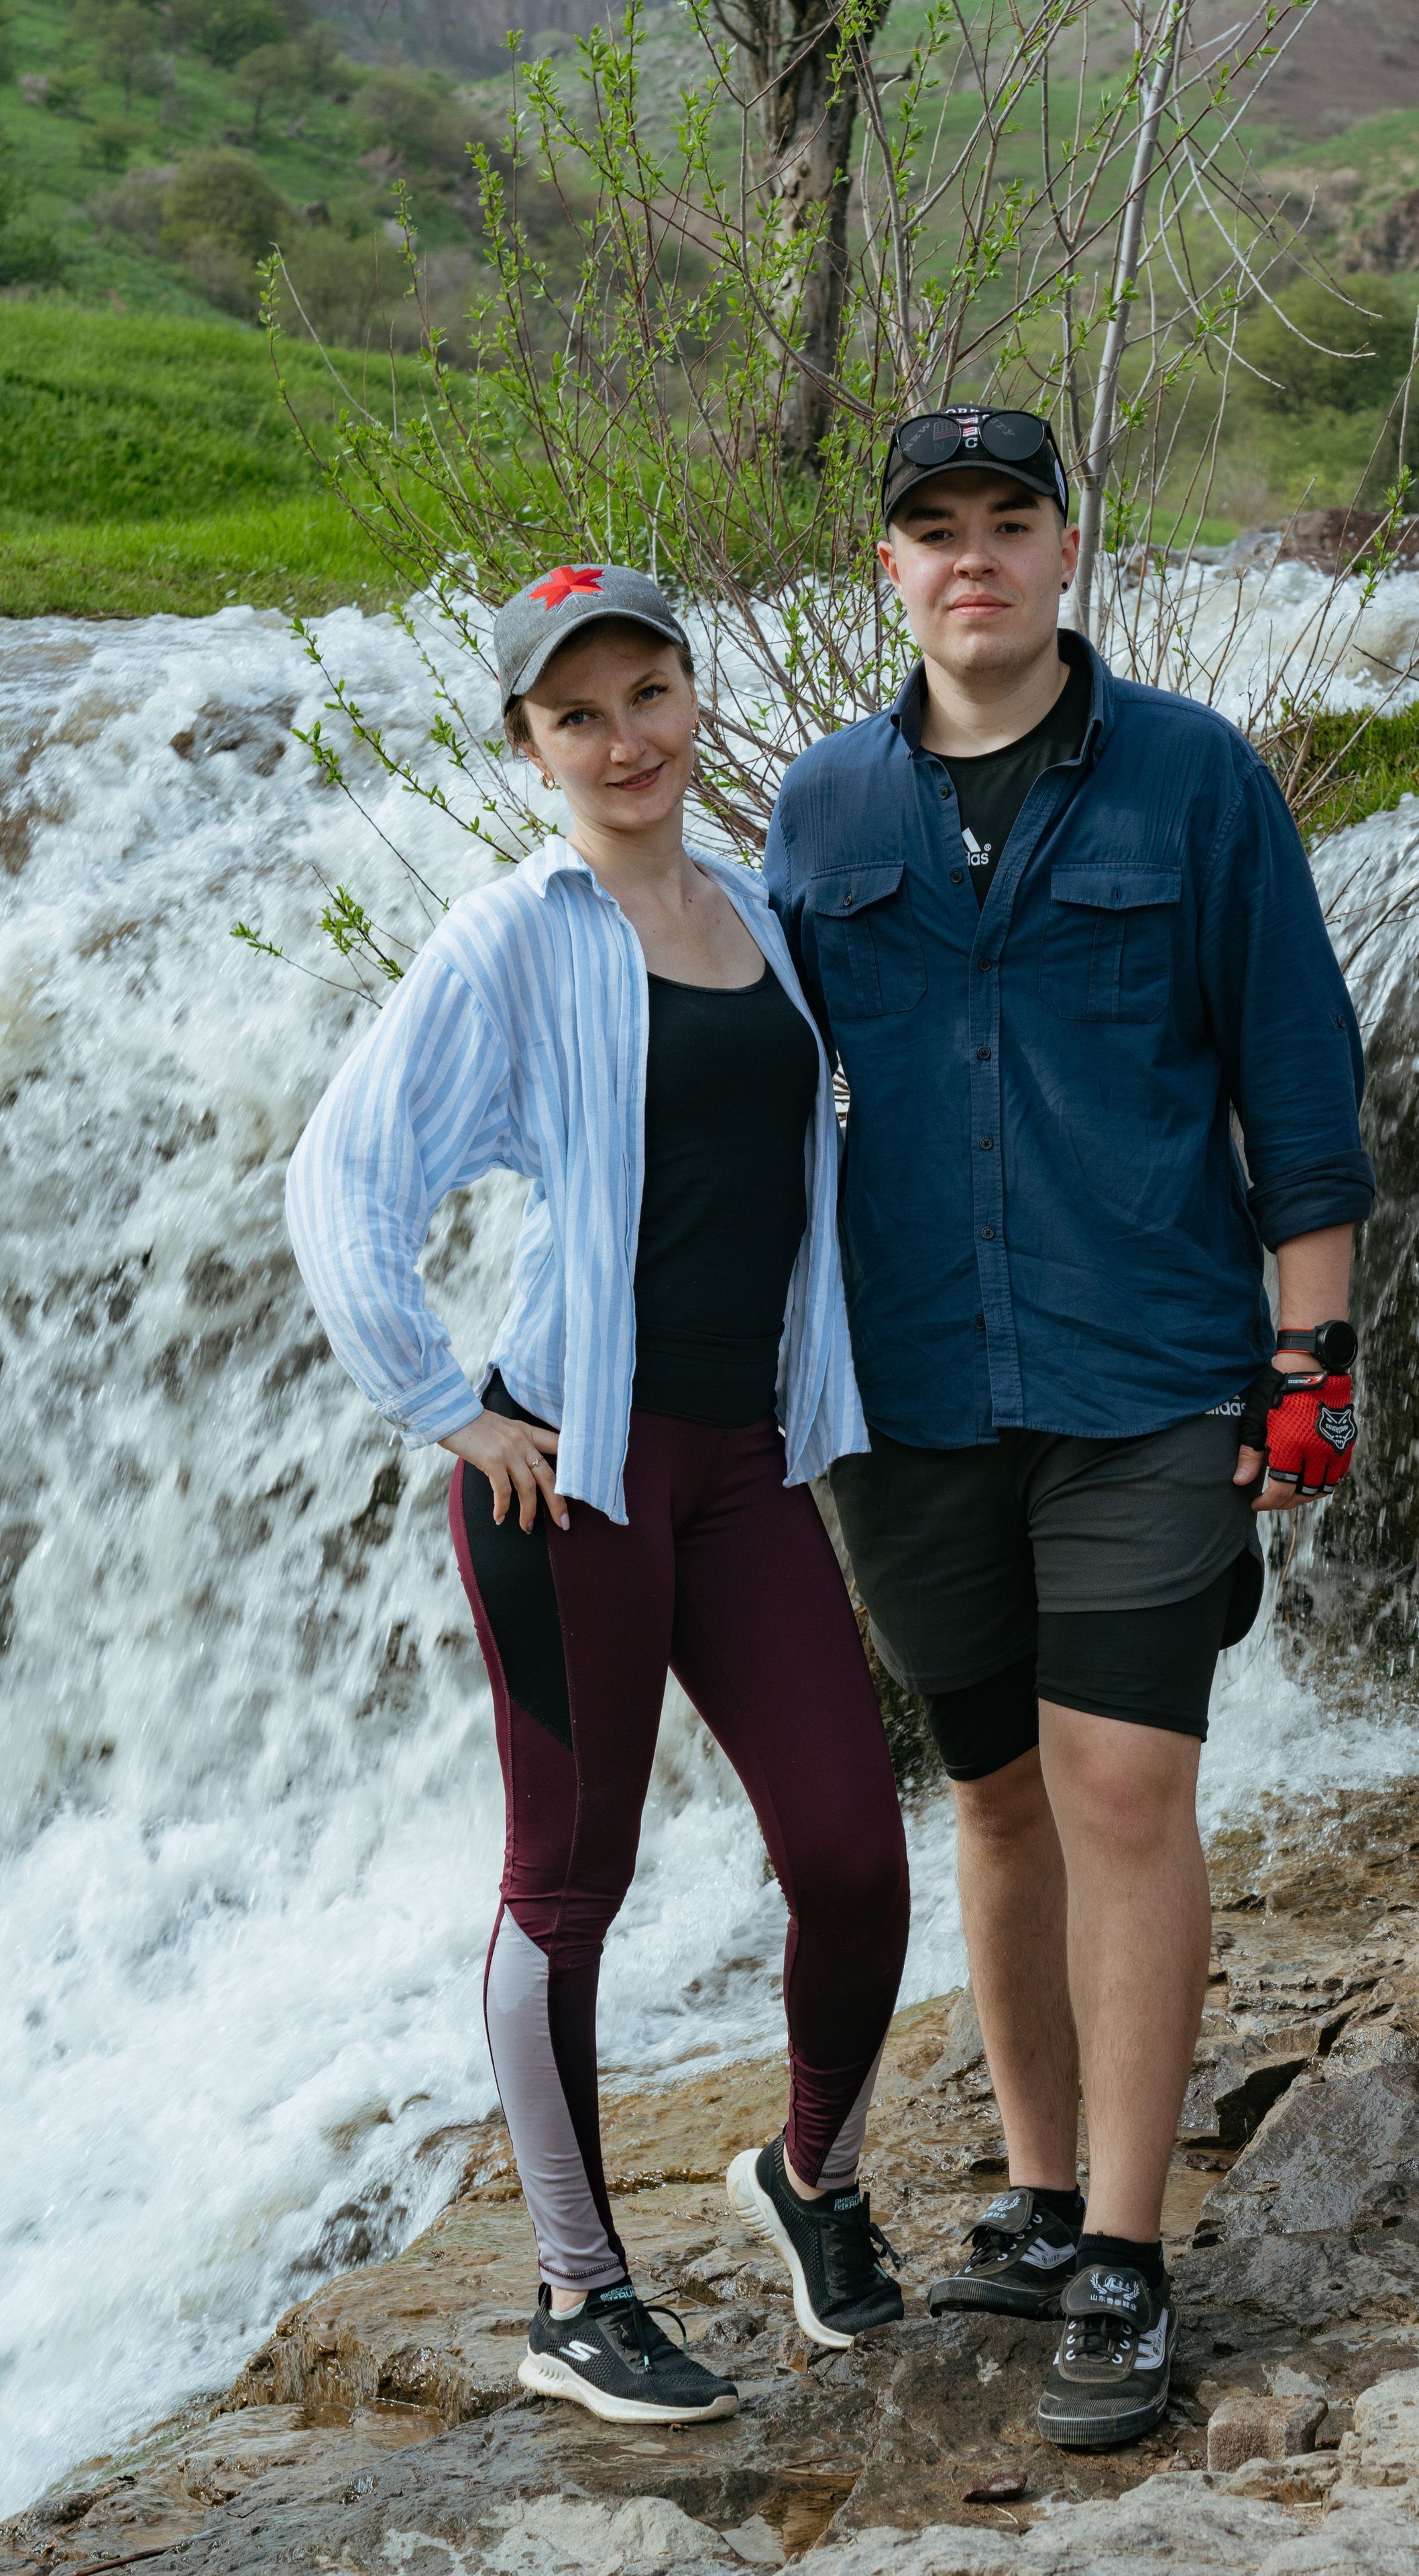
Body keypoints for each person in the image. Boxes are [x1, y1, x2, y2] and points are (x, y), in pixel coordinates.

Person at [764, 411, 1374, 2451]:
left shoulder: (1196, 778)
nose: (973, 564)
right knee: (1001, 1797)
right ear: (889, 571)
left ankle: (1126, 2254)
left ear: (1065, 546)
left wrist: (1312, 1367)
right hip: (911, 1394)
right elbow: (748, 1094)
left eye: (1006, 525)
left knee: (1126, 1788)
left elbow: (1299, 1086)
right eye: (933, 534)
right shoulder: (823, 804)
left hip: (1151, 1378)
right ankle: (1035, 2196)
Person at [286, 564, 911, 2430]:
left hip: (745, 1468)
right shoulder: (513, 938)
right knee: (571, 1885)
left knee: (857, 1858)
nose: (624, 738)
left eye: (648, 693)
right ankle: (577, 2289)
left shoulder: (766, 922)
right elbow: (346, 1172)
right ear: (529, 746)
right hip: (574, 1475)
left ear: (691, 699)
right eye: (580, 715)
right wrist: (441, 1406)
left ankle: (812, 2181)